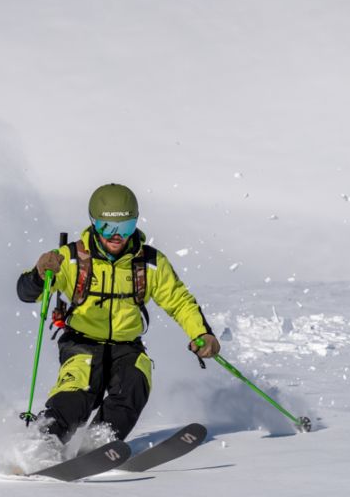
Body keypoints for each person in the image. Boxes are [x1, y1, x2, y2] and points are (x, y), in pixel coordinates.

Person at [16, 183, 220, 444]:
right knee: (77, 392)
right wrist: (39, 274)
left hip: (127, 346)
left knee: (134, 383)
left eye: (125, 227)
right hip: (81, 343)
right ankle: (42, 442)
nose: (116, 236)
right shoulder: (71, 259)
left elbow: (179, 301)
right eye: (107, 227)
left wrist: (201, 333)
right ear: (93, 223)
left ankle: (99, 443)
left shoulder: (149, 263)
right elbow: (27, 293)